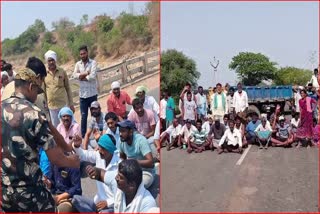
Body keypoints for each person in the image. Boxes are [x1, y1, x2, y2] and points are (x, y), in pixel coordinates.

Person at [1, 69, 80, 212]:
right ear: (31, 87)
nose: (36, 97)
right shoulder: (33, 113)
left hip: (5, 193)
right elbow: (56, 158)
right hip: (31, 193)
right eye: (37, 92)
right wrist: (73, 161)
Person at [85, 159, 158, 213]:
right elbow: (100, 173)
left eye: (120, 177)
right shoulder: (118, 183)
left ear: (131, 185)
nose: (116, 178)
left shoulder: (147, 203)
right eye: (117, 174)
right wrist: (93, 170)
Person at [72, 134, 121, 212]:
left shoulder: (120, 166)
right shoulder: (98, 155)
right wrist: (77, 145)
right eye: (99, 146)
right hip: (98, 202)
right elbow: (83, 155)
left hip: (113, 205)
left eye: (103, 148)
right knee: (75, 199)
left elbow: (122, 195)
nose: (100, 150)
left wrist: (108, 203)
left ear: (110, 149)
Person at [118, 120, 155, 188]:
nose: (120, 134)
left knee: (141, 184)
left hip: (145, 172)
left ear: (131, 132)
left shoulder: (141, 140)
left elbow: (151, 163)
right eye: (120, 131)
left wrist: (134, 162)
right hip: (131, 172)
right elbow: (122, 157)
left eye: (123, 131)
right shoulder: (122, 141)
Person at [72, 45, 98, 138]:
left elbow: (92, 77)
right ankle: (83, 136)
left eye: (84, 53)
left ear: (87, 53)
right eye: (81, 54)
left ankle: (96, 133)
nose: (82, 55)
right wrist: (86, 73)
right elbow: (74, 75)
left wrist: (81, 77)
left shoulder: (93, 63)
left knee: (94, 114)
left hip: (92, 94)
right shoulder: (78, 64)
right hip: (83, 95)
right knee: (83, 116)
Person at [44, 50, 74, 127]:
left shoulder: (62, 71)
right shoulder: (44, 73)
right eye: (49, 60)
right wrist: (45, 104)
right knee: (56, 127)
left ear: (55, 60)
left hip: (63, 104)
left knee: (67, 125)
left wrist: (71, 104)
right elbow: (44, 90)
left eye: (52, 60)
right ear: (47, 61)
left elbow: (68, 88)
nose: (51, 62)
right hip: (52, 106)